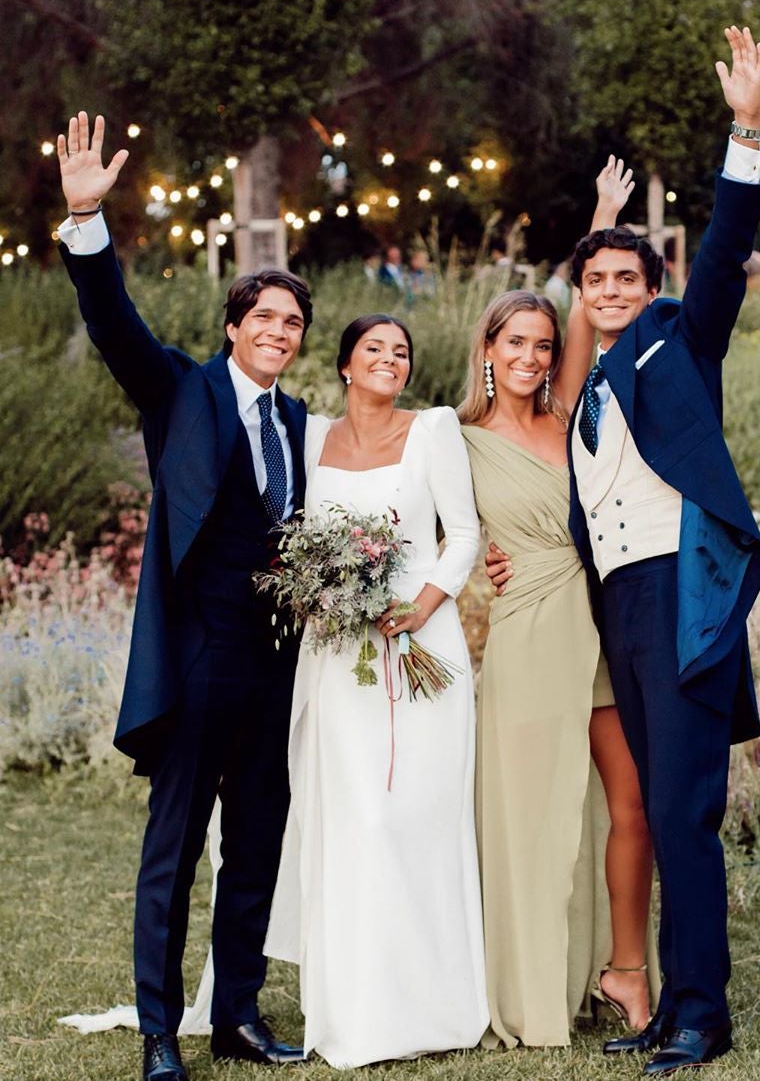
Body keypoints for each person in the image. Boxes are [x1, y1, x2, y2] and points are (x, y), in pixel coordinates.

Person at [55, 113, 308, 1081]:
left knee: (255, 846)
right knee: (171, 851)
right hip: (198, 654)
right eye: (266, 319)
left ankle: (235, 1015)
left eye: (293, 324)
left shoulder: (299, 421)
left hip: (276, 664)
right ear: (235, 327)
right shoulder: (180, 392)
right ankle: (161, 1030)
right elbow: (114, 324)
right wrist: (88, 224)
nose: (279, 334)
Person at [562, 25, 760, 1076]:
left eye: (623, 275)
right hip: (621, 612)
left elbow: (727, 247)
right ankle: (672, 1003)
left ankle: (702, 1015)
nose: (607, 287)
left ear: (650, 285)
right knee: (655, 803)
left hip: (683, 600)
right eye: (594, 277)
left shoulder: (681, 339)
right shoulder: (586, 386)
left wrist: (744, 129)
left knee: (684, 814)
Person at [460, 158, 656, 1049]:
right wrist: (473, 580)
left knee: (627, 803)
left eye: (542, 344)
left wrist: (603, 218)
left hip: (600, 623)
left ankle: (621, 969)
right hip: (527, 632)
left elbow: (585, 310)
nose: (535, 356)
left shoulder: (571, 408)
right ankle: (530, 987)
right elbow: (434, 539)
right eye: (516, 344)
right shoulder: (455, 439)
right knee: (533, 814)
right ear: (489, 353)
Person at [264, 315, 487, 1067]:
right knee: (353, 818)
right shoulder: (313, 435)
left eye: (401, 352)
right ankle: (353, 1007)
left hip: (422, 646)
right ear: (344, 367)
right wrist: (315, 592)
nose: (390, 360)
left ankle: (436, 1003)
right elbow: (290, 531)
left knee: (413, 816)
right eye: (374, 350)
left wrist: (421, 606)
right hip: (337, 656)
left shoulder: (434, 429)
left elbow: (464, 534)